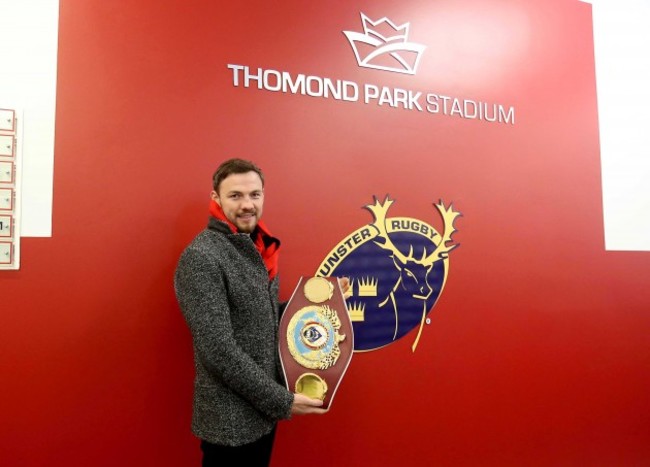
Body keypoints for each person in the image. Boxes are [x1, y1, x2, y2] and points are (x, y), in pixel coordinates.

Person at [174, 158, 334, 466]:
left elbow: (263, 316)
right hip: (230, 422)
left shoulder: (259, 247)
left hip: (262, 414)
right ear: (216, 198)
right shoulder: (201, 257)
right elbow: (217, 349)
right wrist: (281, 401)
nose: (247, 204)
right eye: (235, 196)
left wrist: (324, 303)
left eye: (255, 194)